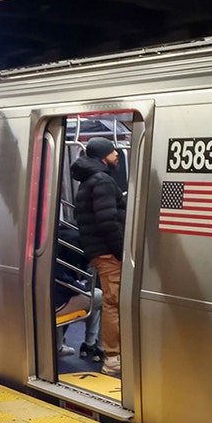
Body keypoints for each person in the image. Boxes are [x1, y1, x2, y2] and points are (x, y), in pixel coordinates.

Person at [71, 137, 125, 376]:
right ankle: (113, 357)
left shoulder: (88, 181)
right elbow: (107, 221)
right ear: (103, 155)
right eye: (112, 151)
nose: (116, 154)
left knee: (113, 302)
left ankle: (114, 352)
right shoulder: (102, 180)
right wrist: (122, 252)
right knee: (113, 303)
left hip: (98, 251)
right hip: (108, 252)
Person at [52, 226, 102, 361]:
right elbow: (68, 285)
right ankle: (98, 347)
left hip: (51, 301)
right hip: (59, 304)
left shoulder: (51, 252)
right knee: (100, 296)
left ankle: (59, 346)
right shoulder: (70, 252)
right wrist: (82, 286)